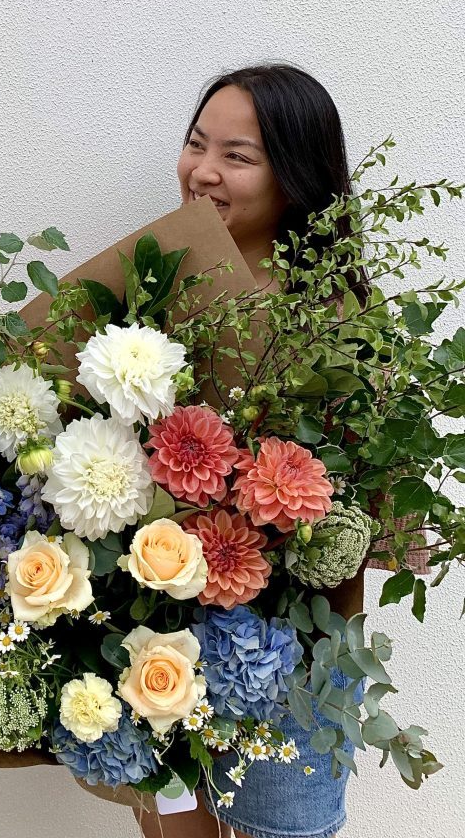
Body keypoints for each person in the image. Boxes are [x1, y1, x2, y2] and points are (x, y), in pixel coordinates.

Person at [135, 64, 363, 838]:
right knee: (172, 820)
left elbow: (360, 503)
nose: (203, 170)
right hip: (160, 627)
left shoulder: (331, 317)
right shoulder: (154, 288)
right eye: (197, 144)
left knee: (283, 826)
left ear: (294, 177)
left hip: (288, 649)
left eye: (237, 155)